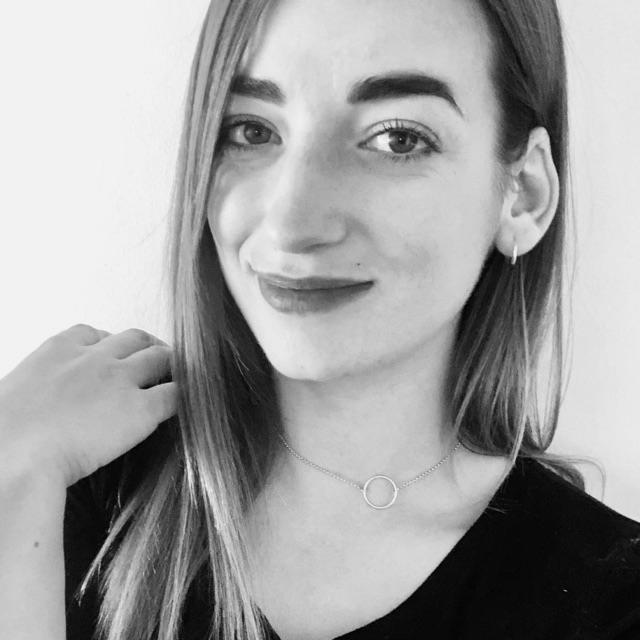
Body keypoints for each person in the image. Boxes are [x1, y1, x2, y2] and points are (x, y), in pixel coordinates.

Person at [1, 0, 639, 639]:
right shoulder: (65, 483)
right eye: (252, 131)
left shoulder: (611, 601)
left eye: (397, 139)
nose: (292, 223)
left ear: (523, 195)